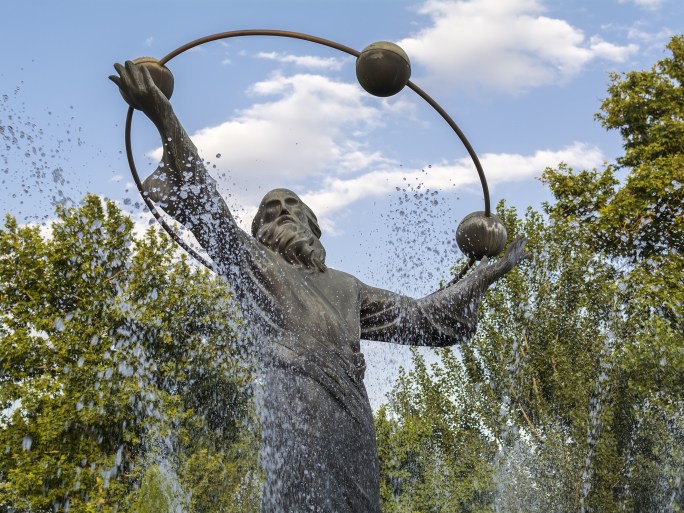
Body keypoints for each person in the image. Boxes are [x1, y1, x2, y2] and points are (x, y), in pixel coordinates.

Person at [111, 61, 528, 513]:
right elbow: (210, 210)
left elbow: (421, 318)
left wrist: (481, 277)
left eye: (294, 206)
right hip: (293, 409)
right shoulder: (255, 267)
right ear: (259, 232)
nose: (284, 212)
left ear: (314, 225)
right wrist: (162, 113)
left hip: (351, 420)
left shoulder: (347, 287)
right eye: (271, 210)